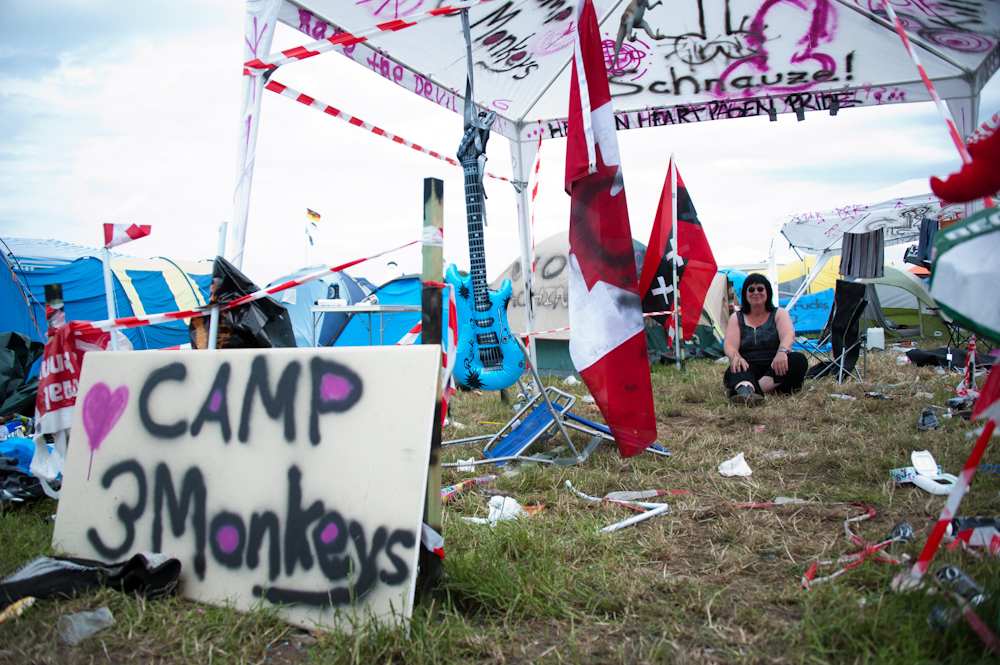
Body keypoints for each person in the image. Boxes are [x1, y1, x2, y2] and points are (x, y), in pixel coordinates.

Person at [723, 274, 808, 405]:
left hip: (776, 364)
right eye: (751, 290)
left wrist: (782, 352)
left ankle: (748, 391)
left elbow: (788, 336)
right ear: (745, 294)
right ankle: (749, 391)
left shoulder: (779, 313)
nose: (756, 293)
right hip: (748, 365)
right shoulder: (737, 317)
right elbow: (729, 343)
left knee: (799, 360)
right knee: (736, 369)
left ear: (768, 292)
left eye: (760, 289)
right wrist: (736, 357)